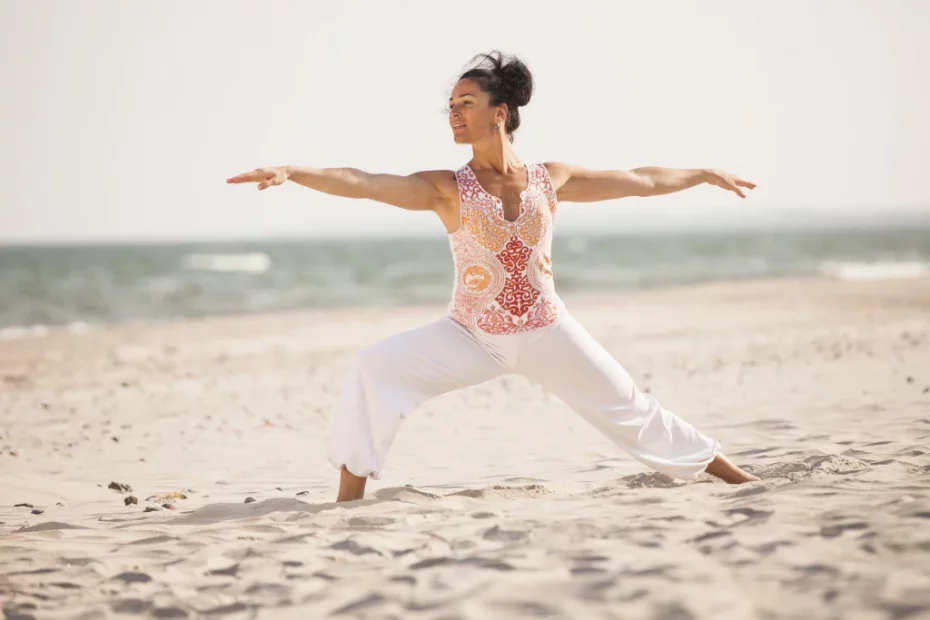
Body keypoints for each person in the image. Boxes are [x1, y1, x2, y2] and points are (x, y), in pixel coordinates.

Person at [227, 51, 760, 502]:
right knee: (375, 368)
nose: (454, 114)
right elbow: (365, 182)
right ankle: (346, 505)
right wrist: (293, 173)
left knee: (630, 410)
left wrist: (703, 174)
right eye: (451, 106)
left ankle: (739, 480)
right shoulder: (446, 188)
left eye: (466, 104)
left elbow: (640, 180)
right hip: (470, 335)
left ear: (499, 113)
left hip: (548, 331)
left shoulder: (552, 179)